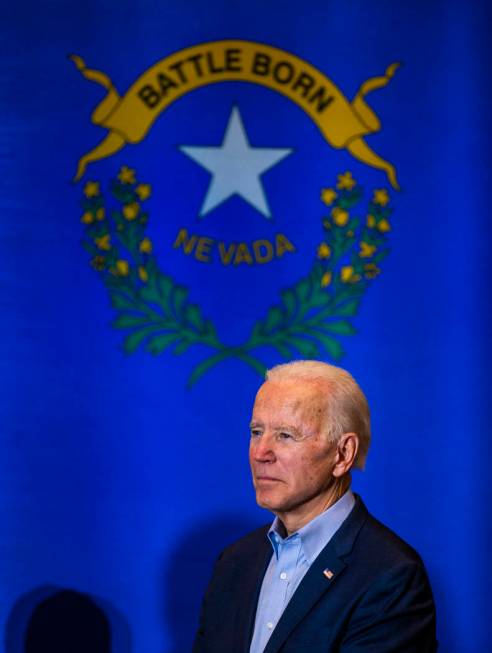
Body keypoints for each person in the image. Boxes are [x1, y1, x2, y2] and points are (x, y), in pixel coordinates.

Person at [193, 360, 437, 652]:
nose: (260, 453)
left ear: (343, 453)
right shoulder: (234, 561)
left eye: (285, 435)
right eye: (257, 432)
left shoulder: (391, 575)